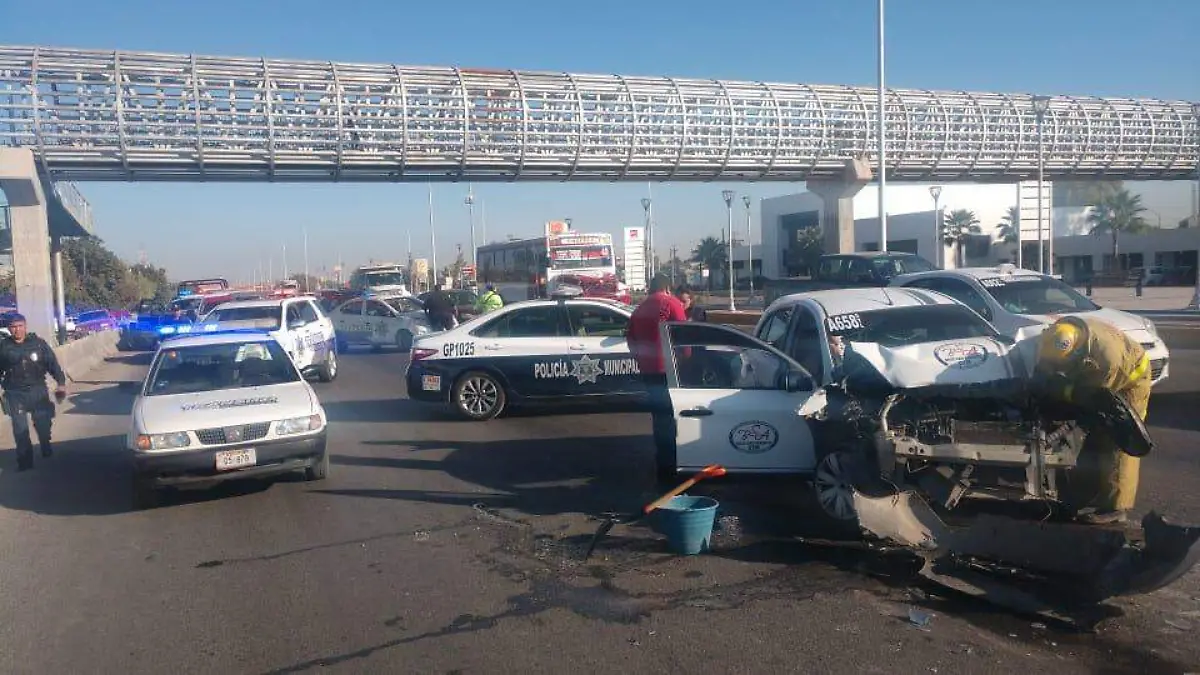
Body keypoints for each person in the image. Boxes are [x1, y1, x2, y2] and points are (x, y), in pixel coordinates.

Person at [1035, 316, 1152, 524]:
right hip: (1101, 377)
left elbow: (1095, 396)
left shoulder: (1107, 360)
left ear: (1078, 349)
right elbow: (1046, 363)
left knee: (1116, 443)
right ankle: (1079, 499)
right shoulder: (1060, 333)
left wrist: (1065, 394)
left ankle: (1116, 508)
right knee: (1091, 445)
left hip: (1128, 383)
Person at [626, 275, 688, 485]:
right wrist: (686, 358)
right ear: (667, 288)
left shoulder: (639, 309)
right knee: (676, 416)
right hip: (670, 370)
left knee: (659, 417)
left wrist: (641, 359)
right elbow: (684, 335)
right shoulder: (672, 303)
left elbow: (631, 340)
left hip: (649, 370)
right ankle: (676, 462)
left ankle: (663, 461)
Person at [0, 315, 67, 471]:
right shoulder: (3, 348)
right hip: (15, 393)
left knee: (43, 424)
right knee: (20, 429)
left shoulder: (38, 344)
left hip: (38, 390)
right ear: (9, 329)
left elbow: (52, 364)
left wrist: (61, 383)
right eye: (13, 327)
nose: (17, 330)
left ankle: (45, 442)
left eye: (20, 326)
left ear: (25, 326)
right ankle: (24, 461)